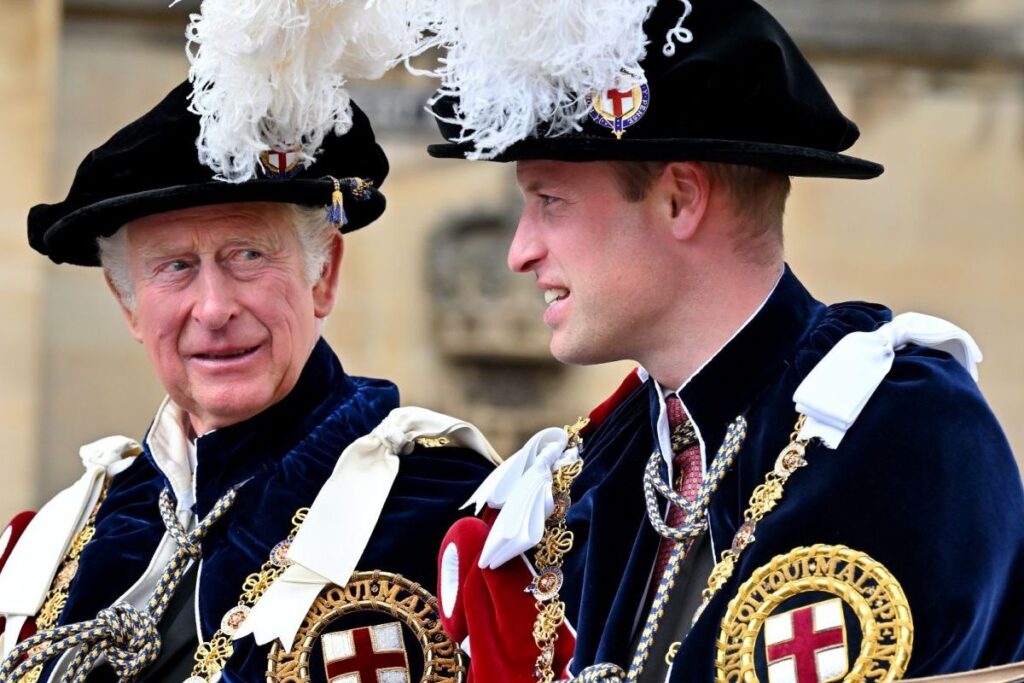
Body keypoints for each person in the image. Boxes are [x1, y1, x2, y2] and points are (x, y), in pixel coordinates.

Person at [410, 1, 1024, 681]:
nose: (519, 251)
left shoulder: (898, 430)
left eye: (550, 202)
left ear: (679, 199)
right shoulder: (604, 468)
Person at [0, 77, 497, 683]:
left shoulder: (443, 508)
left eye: (247, 255)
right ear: (128, 304)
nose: (214, 309)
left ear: (323, 277)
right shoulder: (60, 538)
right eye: (175, 266)